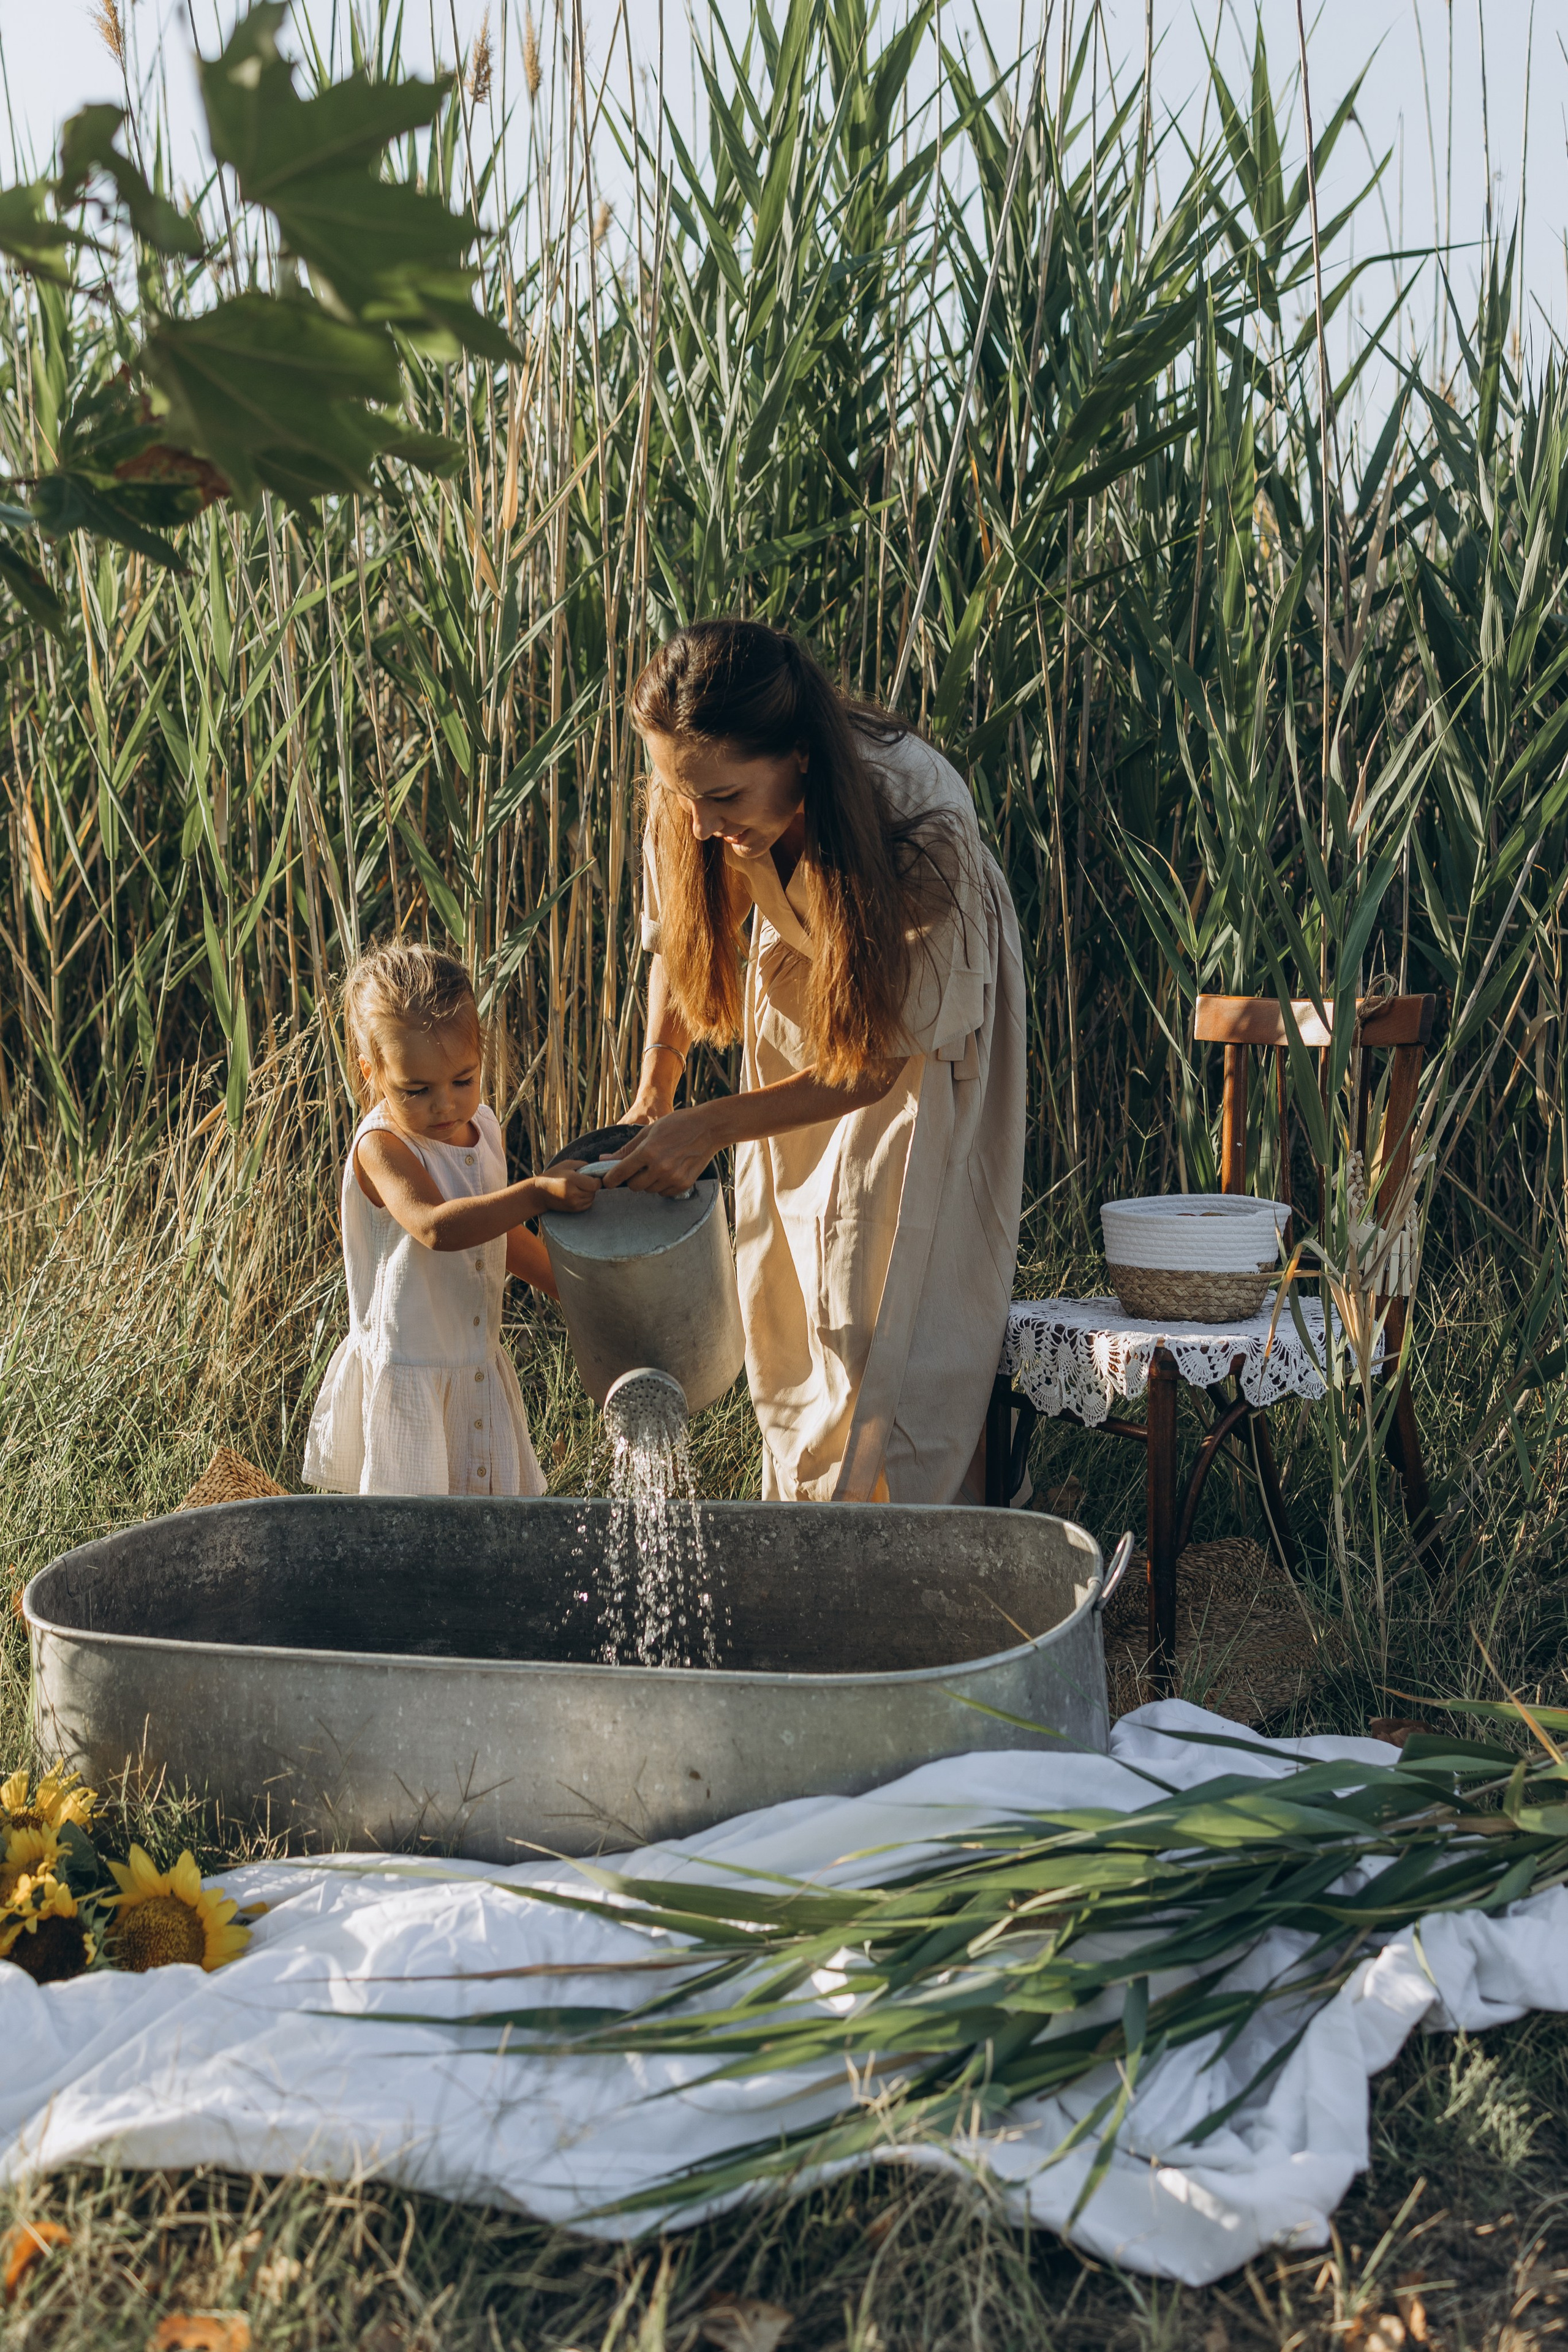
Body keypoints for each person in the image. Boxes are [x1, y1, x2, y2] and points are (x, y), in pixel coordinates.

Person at [608, 619, 1025, 1504]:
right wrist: (658, 1089)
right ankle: (809, 1536)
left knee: (894, 1285)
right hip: (802, 1002)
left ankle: (922, 1552)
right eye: (683, 796)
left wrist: (712, 1129)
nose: (699, 822)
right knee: (795, 1282)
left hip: (917, 1025)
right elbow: (684, 945)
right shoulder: (694, 782)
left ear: (800, 757)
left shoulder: (923, 821)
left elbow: (878, 1068)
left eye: (723, 799)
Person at [304, 941, 598, 1497]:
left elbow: (495, 1235)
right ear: (372, 1072)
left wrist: (577, 1294)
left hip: (474, 1372)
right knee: (413, 1545)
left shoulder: (482, 1127)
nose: (445, 1105)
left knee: (490, 1532)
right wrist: (534, 1193)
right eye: (416, 1090)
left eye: (463, 1080)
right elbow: (436, 1227)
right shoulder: (383, 1146)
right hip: (412, 1376)